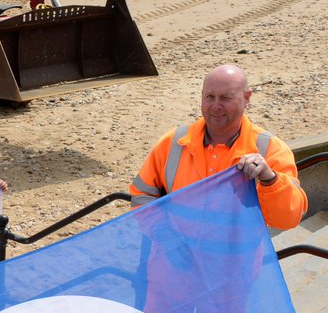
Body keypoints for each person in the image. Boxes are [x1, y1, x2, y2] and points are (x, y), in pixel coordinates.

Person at [129, 63, 307, 229]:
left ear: (246, 98)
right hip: (173, 260)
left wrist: (270, 179)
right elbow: (141, 195)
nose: (216, 106)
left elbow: (288, 220)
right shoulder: (173, 142)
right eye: (209, 97)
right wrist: (165, 236)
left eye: (225, 98)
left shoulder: (270, 149)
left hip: (236, 262)